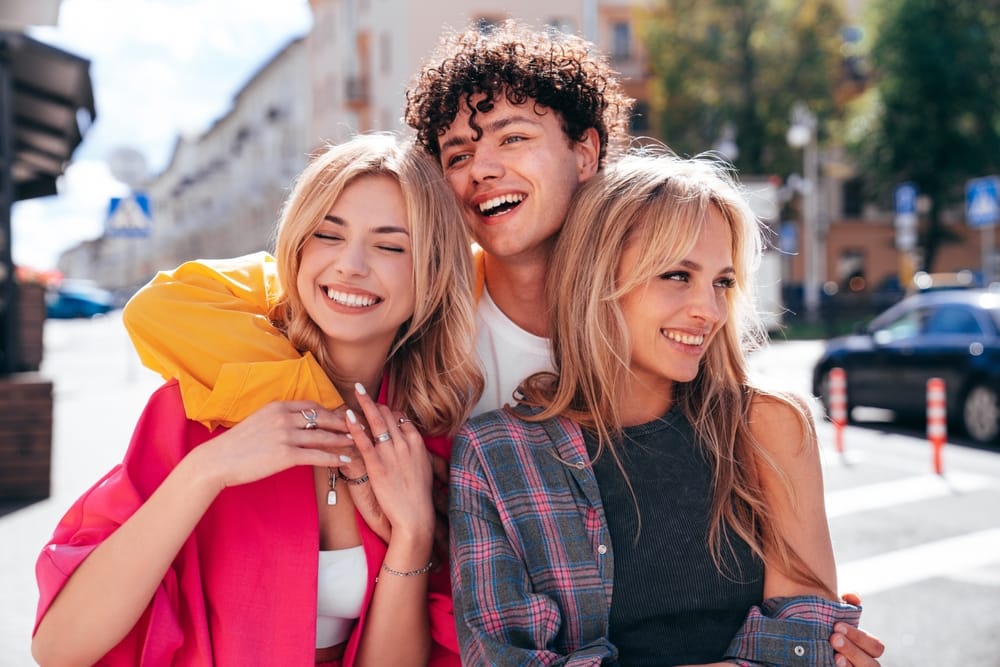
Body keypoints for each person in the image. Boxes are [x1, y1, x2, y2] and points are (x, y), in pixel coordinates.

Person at [115, 20, 882, 666]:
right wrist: (342, 432)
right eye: (455, 155)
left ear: (585, 154)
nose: (482, 168)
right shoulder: (419, 309)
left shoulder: (657, 313)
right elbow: (176, 306)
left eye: (512, 137)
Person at [32, 133, 483, 666]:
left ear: (431, 272)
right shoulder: (203, 405)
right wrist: (208, 471)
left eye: (391, 245)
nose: (351, 265)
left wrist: (413, 534)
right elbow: (59, 648)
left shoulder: (426, 439)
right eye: (326, 234)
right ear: (295, 246)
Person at [450, 150, 863, 666]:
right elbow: (501, 660)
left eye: (722, 282)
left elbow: (807, 644)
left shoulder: (768, 427)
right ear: (598, 278)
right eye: (676, 275)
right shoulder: (497, 455)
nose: (709, 311)